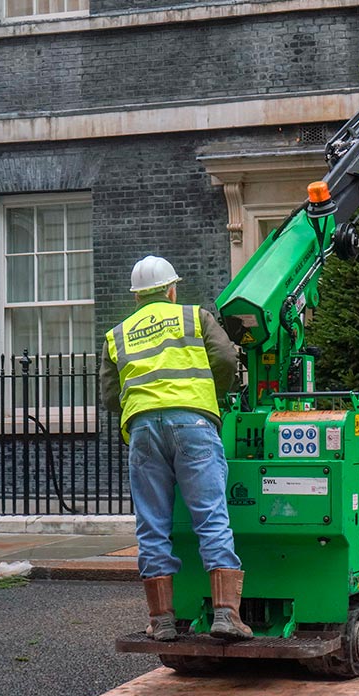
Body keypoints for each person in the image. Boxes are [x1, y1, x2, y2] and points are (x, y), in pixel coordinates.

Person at [100, 255, 251, 642]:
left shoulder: (117, 334)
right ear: (171, 289)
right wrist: (210, 396)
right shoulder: (194, 317)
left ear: (136, 297)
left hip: (144, 431)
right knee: (211, 517)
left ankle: (162, 620)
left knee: (152, 525)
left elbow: (109, 395)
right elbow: (225, 358)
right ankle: (225, 615)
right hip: (194, 425)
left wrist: (141, 407)